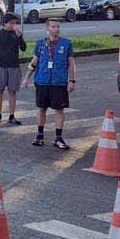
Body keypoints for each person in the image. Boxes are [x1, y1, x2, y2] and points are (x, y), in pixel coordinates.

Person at [21, 17, 75, 149]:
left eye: (57, 26)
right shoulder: (40, 44)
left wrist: (71, 80)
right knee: (41, 108)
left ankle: (58, 138)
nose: (56, 29)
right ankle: (39, 135)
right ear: (47, 29)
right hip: (42, 80)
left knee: (59, 109)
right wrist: (27, 77)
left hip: (59, 82)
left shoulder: (66, 44)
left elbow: (71, 64)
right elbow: (34, 62)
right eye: (53, 27)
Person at [0, 13, 27, 125]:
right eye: (11, 23)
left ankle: (12, 115)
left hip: (13, 65)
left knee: (12, 91)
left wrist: (20, 36)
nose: (13, 25)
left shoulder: (16, 34)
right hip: (0, 65)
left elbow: (23, 48)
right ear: (5, 23)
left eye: (15, 23)